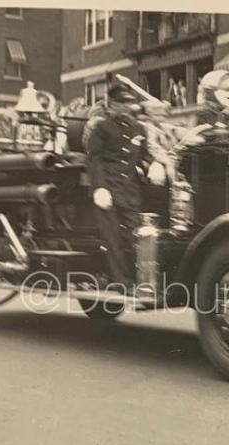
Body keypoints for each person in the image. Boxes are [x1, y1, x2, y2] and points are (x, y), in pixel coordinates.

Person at [84, 81, 153, 290]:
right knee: (112, 237)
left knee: (135, 235)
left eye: (129, 102)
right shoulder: (102, 127)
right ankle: (121, 281)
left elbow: (143, 156)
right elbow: (94, 159)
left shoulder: (138, 128)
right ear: (111, 103)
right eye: (122, 102)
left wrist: (154, 164)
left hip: (129, 191)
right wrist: (99, 187)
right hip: (108, 190)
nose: (127, 106)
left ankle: (137, 278)